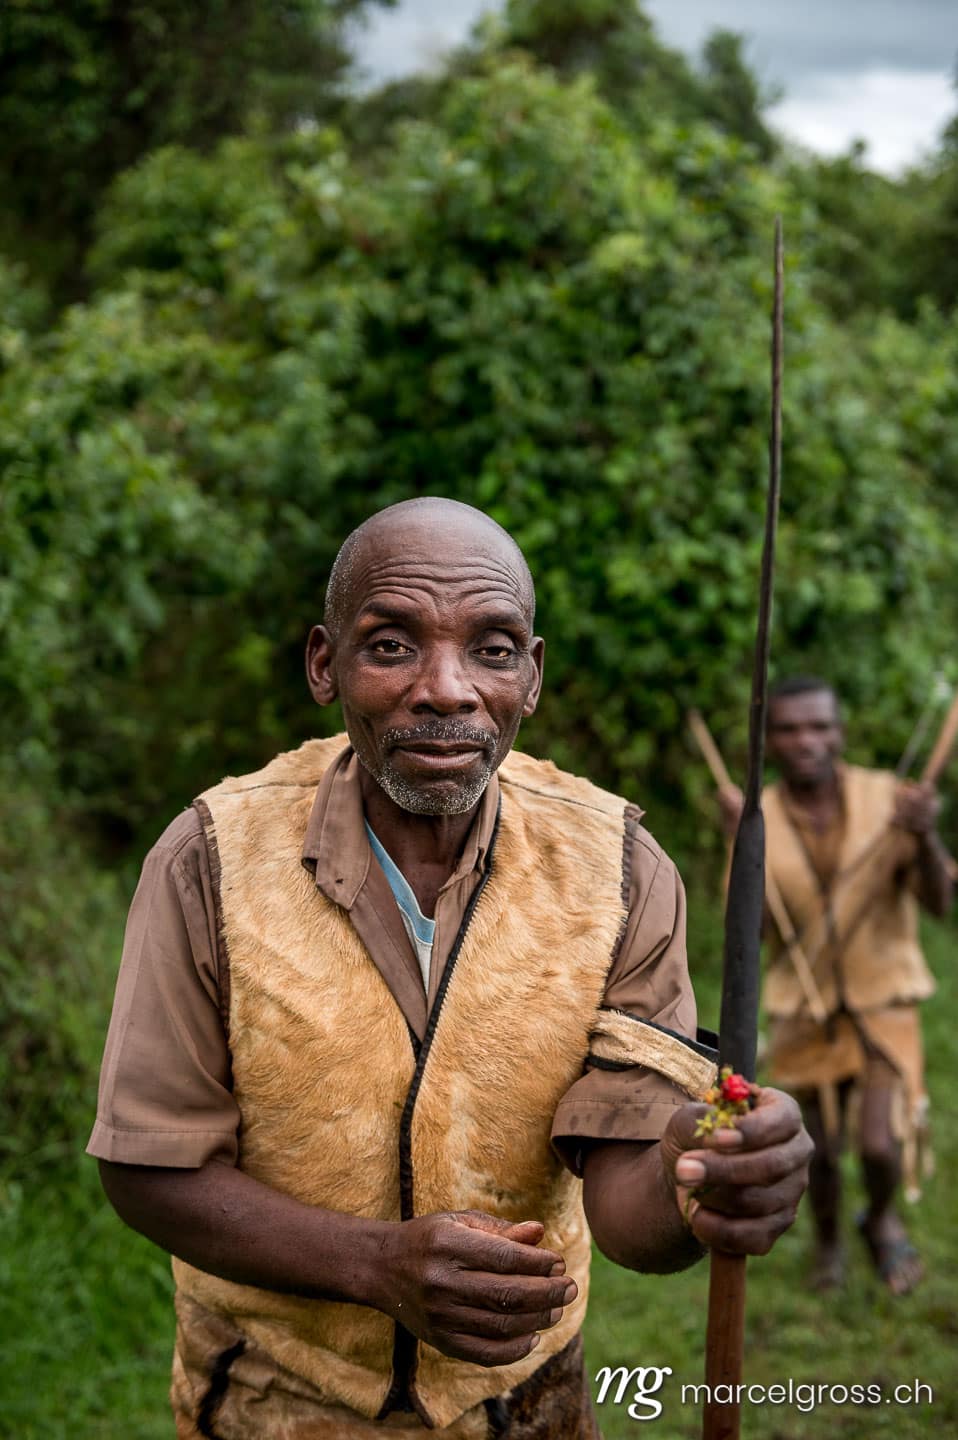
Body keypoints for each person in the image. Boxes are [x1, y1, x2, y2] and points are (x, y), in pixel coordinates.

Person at [90, 498, 811, 1440]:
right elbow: (149, 1170)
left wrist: (696, 1171)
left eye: (493, 648)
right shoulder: (211, 858)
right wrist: (374, 1265)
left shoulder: (621, 870)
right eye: (391, 645)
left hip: (525, 1409)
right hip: (271, 1406)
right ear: (324, 663)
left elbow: (630, 1201)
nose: (448, 689)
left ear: (533, 676)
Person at [719, 675, 952, 1297]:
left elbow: (941, 903)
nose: (807, 741)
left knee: (878, 1145)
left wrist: (926, 835)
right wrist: (737, 843)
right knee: (815, 1151)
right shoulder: (758, 814)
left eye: (820, 726)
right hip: (804, 1007)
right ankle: (827, 1241)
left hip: (883, 999)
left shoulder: (891, 798)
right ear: (770, 740)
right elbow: (753, 932)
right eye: (790, 729)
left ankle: (879, 1218)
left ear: (839, 732)